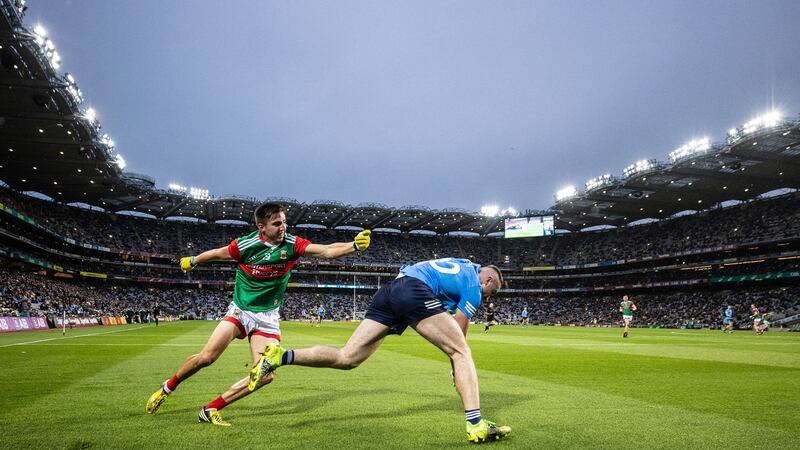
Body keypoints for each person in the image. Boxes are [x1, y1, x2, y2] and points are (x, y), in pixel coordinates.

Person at [145, 203, 372, 426]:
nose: (283, 227)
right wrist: (193, 261)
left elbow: (326, 250)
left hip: (268, 318)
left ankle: (210, 409)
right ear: (262, 227)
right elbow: (217, 253)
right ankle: (167, 388)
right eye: (277, 223)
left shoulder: (292, 244)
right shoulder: (246, 245)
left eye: (284, 222)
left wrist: (354, 245)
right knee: (207, 357)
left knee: (265, 375)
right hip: (241, 310)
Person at [248, 257, 511, 443]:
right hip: (413, 290)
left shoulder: (463, 265)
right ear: (487, 279)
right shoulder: (474, 286)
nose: (488, 297)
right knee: (462, 352)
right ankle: (476, 425)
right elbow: (459, 335)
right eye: (492, 291)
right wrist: (457, 367)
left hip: (390, 290)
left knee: (348, 357)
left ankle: (281, 355)